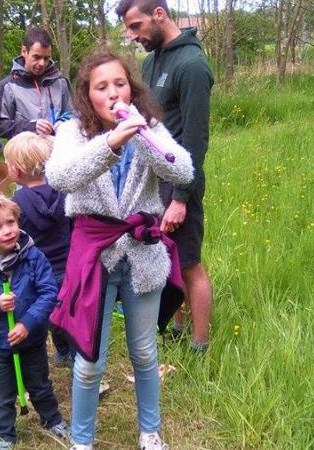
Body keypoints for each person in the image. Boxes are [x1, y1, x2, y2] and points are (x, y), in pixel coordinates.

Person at [45, 50, 194, 450]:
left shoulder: (150, 126)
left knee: (145, 353)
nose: (113, 93)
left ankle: (150, 431)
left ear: (131, 87)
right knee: (90, 360)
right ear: (87, 95)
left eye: (120, 83)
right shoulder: (72, 133)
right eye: (101, 87)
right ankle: (82, 442)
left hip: (141, 255)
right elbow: (59, 177)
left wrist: (140, 134)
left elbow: (182, 170)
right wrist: (111, 142)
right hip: (93, 257)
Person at [117, 0, 215, 351]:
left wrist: (181, 198)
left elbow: (195, 139)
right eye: (129, 29)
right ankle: (176, 325)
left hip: (180, 182)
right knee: (167, 256)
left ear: (159, 15)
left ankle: (200, 345)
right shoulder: (151, 60)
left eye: (136, 26)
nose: (132, 36)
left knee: (189, 262)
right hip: (153, 180)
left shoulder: (192, 66)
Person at [0, 193, 70, 449]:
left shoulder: (33, 256)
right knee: (2, 394)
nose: (8, 230)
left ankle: (52, 419)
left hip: (31, 338)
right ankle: (5, 435)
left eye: (10, 222)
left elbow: (48, 293)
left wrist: (27, 323)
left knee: (40, 383)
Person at [2, 132, 74, 367]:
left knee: (44, 312)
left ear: (16, 170)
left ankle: (64, 354)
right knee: (67, 313)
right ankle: (68, 354)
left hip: (37, 270)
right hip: (68, 267)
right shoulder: (65, 193)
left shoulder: (18, 203)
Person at [0, 27, 73, 140]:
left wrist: (64, 123)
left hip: (58, 152)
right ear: (24, 51)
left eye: (46, 58)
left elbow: (76, 114)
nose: (42, 63)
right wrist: (31, 127)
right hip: (25, 154)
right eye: (37, 57)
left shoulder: (61, 81)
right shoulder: (8, 85)